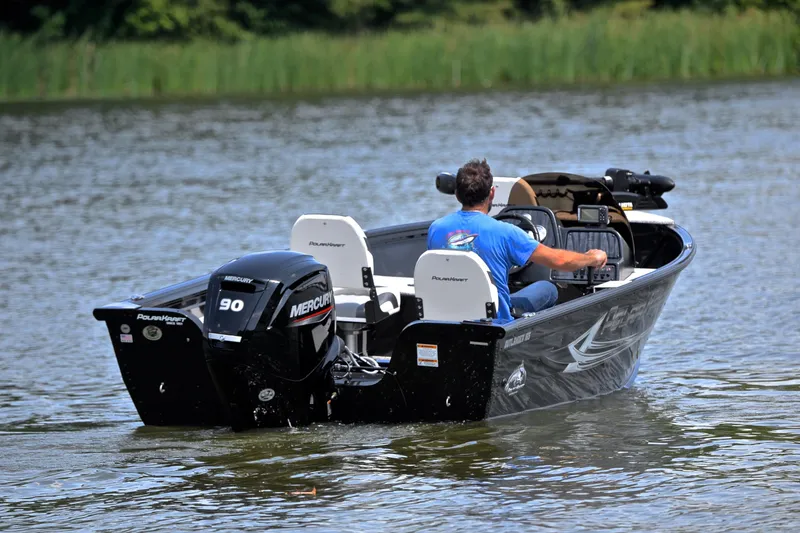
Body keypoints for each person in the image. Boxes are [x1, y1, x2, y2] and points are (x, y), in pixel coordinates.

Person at [427, 158, 607, 323]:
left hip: (447, 321)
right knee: (548, 289)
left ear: (457, 195)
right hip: (494, 324)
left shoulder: (436, 229)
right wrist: (592, 258)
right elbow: (559, 261)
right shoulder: (506, 233)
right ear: (492, 194)